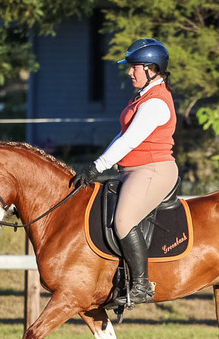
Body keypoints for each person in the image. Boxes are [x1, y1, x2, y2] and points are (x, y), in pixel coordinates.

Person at [71, 38, 178, 306]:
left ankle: (141, 285)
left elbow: (130, 142)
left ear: (152, 69)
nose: (130, 72)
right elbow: (122, 136)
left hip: (152, 170)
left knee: (123, 220)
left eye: (135, 67)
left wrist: (97, 168)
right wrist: (97, 164)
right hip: (132, 170)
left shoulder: (156, 102)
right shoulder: (142, 97)